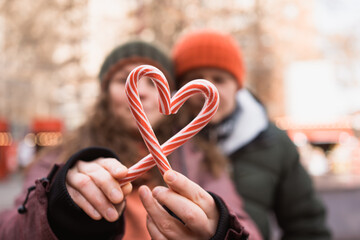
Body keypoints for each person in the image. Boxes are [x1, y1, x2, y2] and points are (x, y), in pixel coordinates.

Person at [0, 40, 262, 239]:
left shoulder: (200, 159)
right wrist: (59, 207)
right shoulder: (61, 156)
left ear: (171, 96)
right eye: (124, 79)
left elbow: (247, 229)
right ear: (104, 94)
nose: (140, 92)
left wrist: (219, 228)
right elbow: (10, 227)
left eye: (154, 83)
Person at [172, 30, 332, 240]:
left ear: (237, 86)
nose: (208, 90)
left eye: (219, 79)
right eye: (195, 80)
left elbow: (307, 227)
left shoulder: (273, 143)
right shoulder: (163, 143)